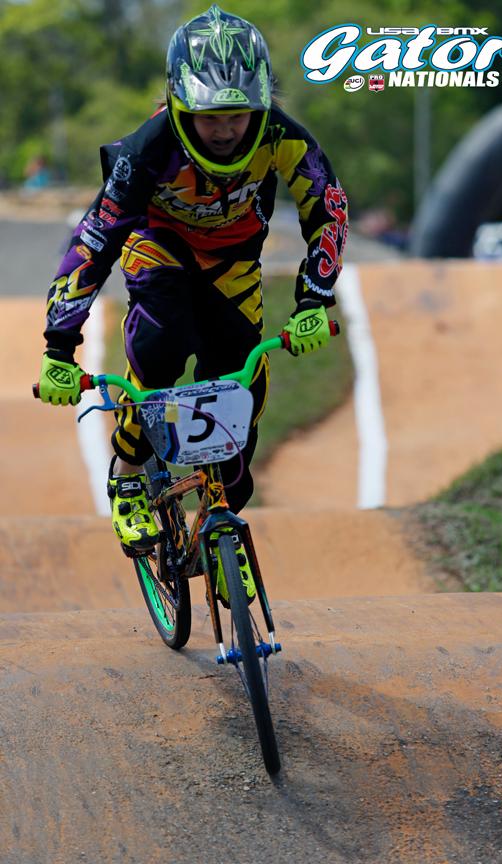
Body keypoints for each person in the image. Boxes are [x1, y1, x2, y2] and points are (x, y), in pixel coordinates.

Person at [37, 4, 348, 556]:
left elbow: (328, 208)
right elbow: (94, 241)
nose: (226, 130)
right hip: (161, 247)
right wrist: (60, 347)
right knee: (163, 344)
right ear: (179, 103)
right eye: (210, 116)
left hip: (234, 262)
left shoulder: (281, 135)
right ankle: (128, 474)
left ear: (262, 102)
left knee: (241, 391)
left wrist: (313, 302)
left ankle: (216, 515)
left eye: (239, 114)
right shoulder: (148, 149)